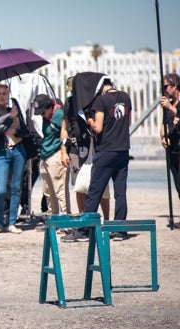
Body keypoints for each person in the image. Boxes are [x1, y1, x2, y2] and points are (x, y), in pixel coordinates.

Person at [83, 79, 132, 241]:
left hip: (106, 150)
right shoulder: (126, 97)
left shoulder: (101, 100)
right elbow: (128, 122)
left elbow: (98, 128)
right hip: (123, 149)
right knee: (121, 192)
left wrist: (89, 120)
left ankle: (85, 229)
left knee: (95, 191)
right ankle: (120, 230)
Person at [60, 76, 110, 222]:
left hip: (96, 146)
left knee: (101, 186)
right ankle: (83, 220)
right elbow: (64, 128)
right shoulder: (69, 103)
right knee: (79, 187)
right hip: (76, 149)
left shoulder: (96, 100)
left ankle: (106, 220)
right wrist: (63, 151)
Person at [0, 84, 28, 234]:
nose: (2, 96)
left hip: (17, 151)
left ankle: (11, 222)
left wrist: (16, 130)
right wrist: (10, 119)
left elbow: (26, 132)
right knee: (1, 190)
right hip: (0, 153)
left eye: (5, 93)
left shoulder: (14, 110)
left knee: (16, 188)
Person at [33, 94, 71, 222]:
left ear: (50, 106)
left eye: (43, 111)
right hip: (45, 156)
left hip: (55, 154)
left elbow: (66, 133)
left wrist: (63, 152)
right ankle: (53, 221)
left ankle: (65, 221)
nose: (42, 115)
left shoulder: (59, 114)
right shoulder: (46, 116)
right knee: (49, 193)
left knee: (60, 192)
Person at [160, 73, 180, 200]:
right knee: (178, 184)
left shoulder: (171, 105)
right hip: (172, 149)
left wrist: (170, 107)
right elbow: (163, 125)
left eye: (166, 86)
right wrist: (163, 136)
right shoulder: (168, 105)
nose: (164, 90)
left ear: (175, 85)